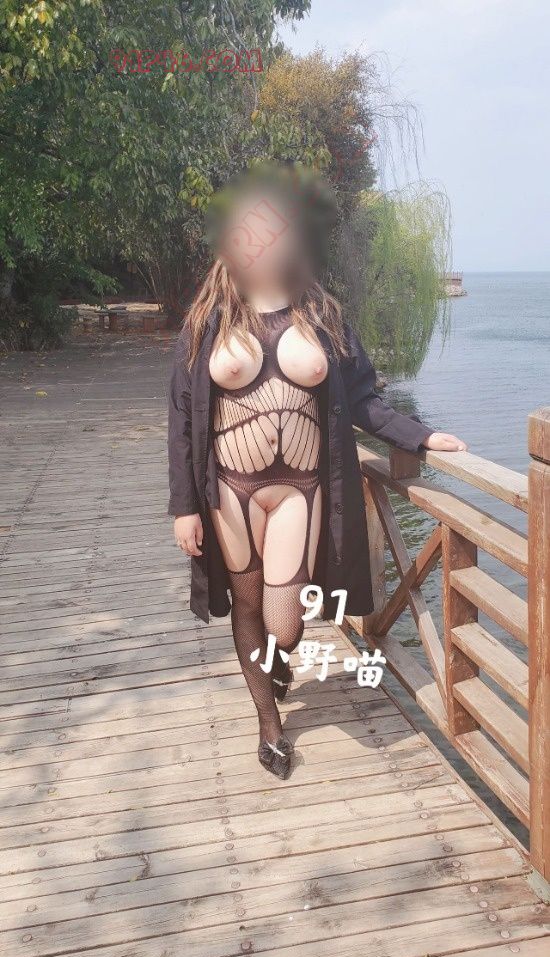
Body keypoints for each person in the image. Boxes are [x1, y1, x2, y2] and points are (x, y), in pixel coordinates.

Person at [168, 163, 467, 780]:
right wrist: (184, 507)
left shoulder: (321, 314)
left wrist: (418, 436)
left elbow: (361, 398)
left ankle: (279, 657)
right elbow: (182, 417)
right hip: (230, 489)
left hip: (300, 489)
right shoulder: (208, 319)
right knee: (247, 604)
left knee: (286, 620)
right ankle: (269, 724)